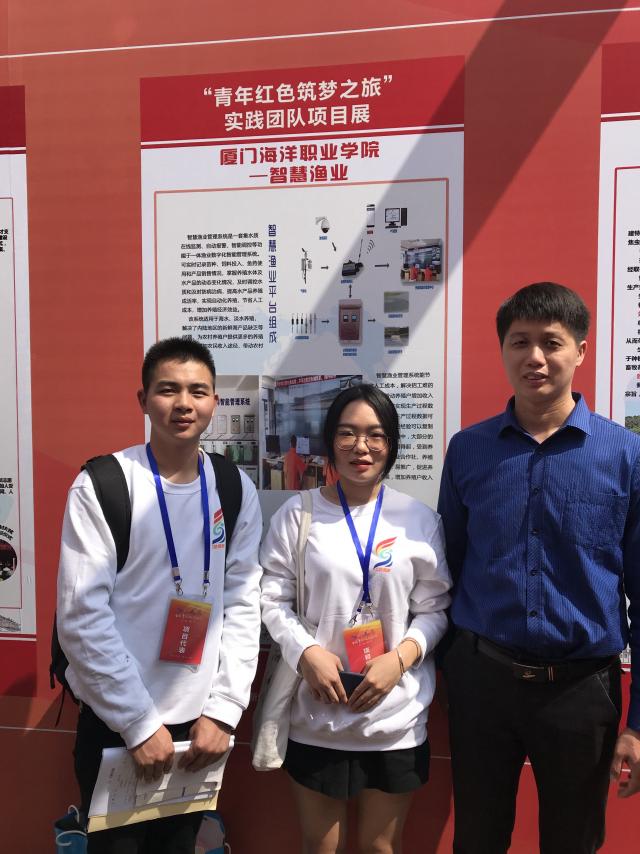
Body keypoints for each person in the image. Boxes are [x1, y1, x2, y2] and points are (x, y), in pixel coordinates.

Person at [437, 282, 640, 854]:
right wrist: (451, 670)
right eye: (519, 342)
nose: (535, 357)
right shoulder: (469, 450)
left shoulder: (624, 456)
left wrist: (638, 722)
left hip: (582, 689)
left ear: (580, 350)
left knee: (573, 842)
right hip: (483, 683)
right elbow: (449, 567)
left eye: (551, 342)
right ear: (503, 350)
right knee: (477, 838)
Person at [56, 337, 263, 853]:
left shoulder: (233, 487)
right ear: (143, 399)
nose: (183, 403)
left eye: (198, 391)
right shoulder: (104, 484)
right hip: (117, 723)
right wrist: (138, 723)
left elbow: (243, 602)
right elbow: (82, 617)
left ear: (214, 402)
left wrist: (224, 711)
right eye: (168, 389)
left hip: (199, 729)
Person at [260, 384, 451, 854]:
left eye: (375, 435)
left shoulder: (418, 520)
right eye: (347, 433)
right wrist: (306, 652)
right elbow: (271, 599)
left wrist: (400, 659)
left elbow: (435, 609)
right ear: (330, 441)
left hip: (395, 719)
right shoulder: (298, 514)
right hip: (316, 716)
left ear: (391, 443)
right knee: (320, 847)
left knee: (381, 848)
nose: (361, 447)